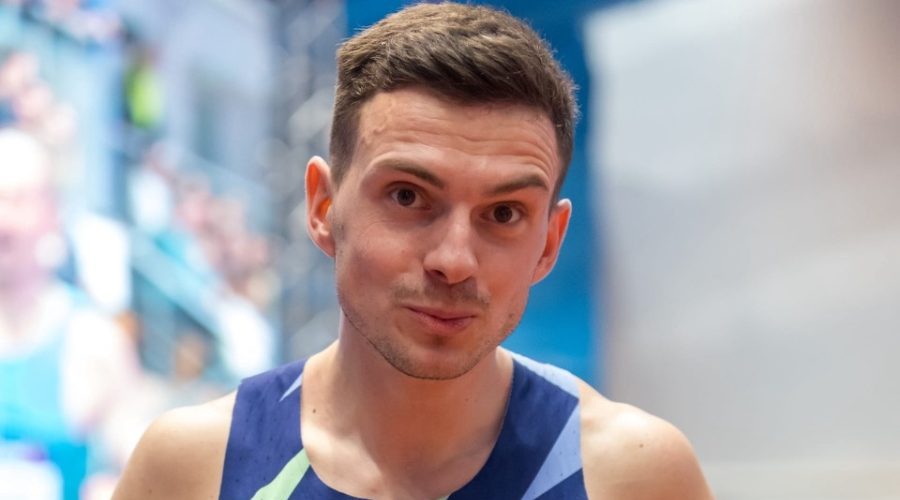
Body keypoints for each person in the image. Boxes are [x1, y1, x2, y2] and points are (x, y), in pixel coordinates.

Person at [113, 3, 713, 499]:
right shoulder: (193, 468)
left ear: (549, 243)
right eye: (408, 196)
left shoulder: (632, 476)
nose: (454, 260)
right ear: (323, 206)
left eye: (504, 213)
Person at [0, 127, 139, 500]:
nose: (2, 220)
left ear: (52, 212)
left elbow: (143, 473)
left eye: (16, 200)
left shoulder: (93, 339)